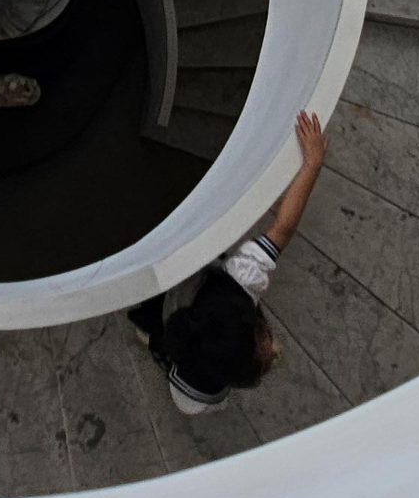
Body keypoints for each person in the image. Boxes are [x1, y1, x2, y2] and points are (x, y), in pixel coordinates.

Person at [128, 111, 329, 415]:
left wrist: (313, 164)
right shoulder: (237, 283)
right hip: (175, 300)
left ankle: (148, 331)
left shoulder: (242, 279)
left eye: (261, 344)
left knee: (153, 315)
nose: (270, 349)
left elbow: (283, 230)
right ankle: (150, 332)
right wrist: (311, 164)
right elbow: (282, 229)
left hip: (173, 293)